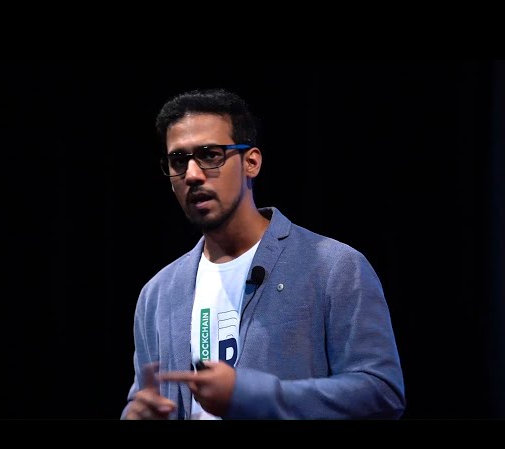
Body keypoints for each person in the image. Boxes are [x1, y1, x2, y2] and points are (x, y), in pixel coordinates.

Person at [121, 88, 405, 420]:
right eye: (179, 160)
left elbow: (381, 393)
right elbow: (144, 398)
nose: (193, 174)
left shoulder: (333, 267)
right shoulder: (158, 294)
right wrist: (137, 413)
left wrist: (252, 395)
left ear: (251, 162)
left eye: (210, 155)